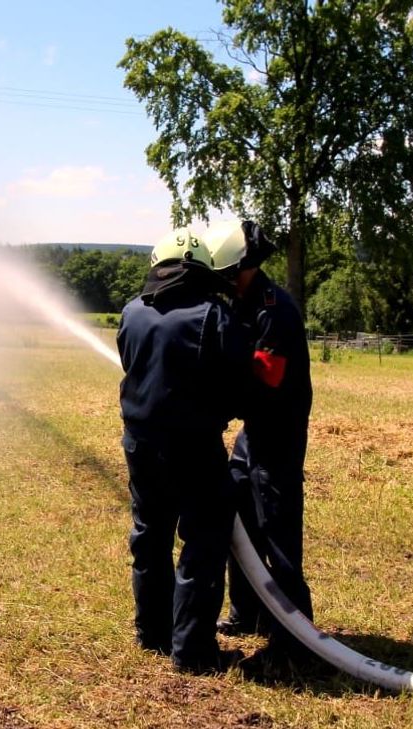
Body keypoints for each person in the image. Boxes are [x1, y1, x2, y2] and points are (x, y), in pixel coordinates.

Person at [117, 227, 253, 674]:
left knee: (150, 535)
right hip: (192, 447)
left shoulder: (132, 311)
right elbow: (237, 386)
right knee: (203, 540)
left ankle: (151, 633)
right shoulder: (213, 314)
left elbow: (128, 361)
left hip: (139, 444)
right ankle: (192, 651)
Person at [203, 220, 315, 661]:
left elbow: (266, 376)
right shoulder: (240, 302)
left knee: (276, 529)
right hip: (253, 431)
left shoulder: (275, 310)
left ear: (240, 267)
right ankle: (247, 611)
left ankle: (294, 634)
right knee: (240, 517)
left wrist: (217, 386)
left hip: (279, 432)